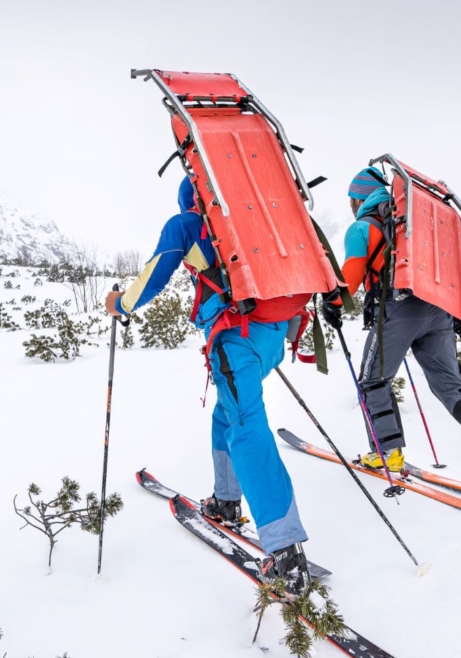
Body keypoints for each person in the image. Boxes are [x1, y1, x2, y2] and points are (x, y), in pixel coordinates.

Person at [105, 176, 311, 593]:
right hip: (274, 334)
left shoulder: (189, 223)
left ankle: (286, 550)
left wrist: (121, 303)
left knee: (245, 426)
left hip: (237, 339)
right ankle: (227, 500)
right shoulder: (258, 220)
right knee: (227, 413)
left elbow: (156, 273)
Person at [321, 167, 461, 495]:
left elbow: (351, 273)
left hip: (397, 311)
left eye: (352, 201)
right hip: (440, 309)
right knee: (450, 384)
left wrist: (332, 303)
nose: (352, 207)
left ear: (359, 199)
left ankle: (386, 453)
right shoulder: (412, 224)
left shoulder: (363, 227)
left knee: (373, 381)